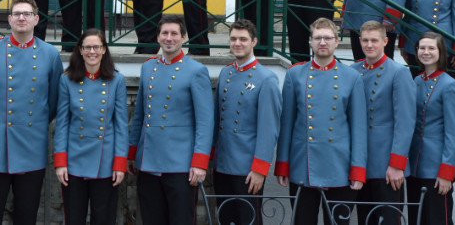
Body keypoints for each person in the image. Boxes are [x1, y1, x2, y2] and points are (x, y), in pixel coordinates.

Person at [0, 0, 64, 225]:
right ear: (9, 19)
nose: (22, 18)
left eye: (27, 14)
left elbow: (52, 103)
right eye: (17, 14)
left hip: (32, 146)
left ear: (36, 19)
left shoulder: (51, 54)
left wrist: (33, 123)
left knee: (27, 215)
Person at [275, 17, 366, 225]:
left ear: (336, 41)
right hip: (301, 166)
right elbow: (286, 123)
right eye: (318, 38)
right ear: (310, 41)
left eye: (327, 38)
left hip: (339, 167)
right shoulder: (295, 74)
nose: (322, 42)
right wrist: (282, 163)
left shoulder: (352, 77)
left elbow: (359, 129)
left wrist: (358, 169)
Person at [128, 14, 214, 224]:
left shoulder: (196, 71)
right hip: (148, 161)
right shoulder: (148, 67)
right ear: (157, 37)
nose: (169, 38)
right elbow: (139, 114)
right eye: (164, 33)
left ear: (183, 37)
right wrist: (132, 152)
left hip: (180, 165)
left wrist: (200, 162)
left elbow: (205, 121)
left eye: (174, 33)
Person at [210, 19, 281, 225]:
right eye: (233, 39)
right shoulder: (226, 72)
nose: (237, 43)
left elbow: (269, 129)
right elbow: (217, 119)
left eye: (243, 39)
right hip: (223, 164)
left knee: (248, 220)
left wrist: (260, 169)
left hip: (248, 169)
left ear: (254, 42)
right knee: (225, 219)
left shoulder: (266, 78)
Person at [53, 28, 128, 225]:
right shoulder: (67, 80)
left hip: (106, 161)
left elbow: (121, 125)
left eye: (96, 47)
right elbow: (62, 123)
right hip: (74, 160)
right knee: (74, 218)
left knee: (103, 218)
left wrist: (120, 163)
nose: (91, 51)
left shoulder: (116, 80)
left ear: (104, 50)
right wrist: (60, 161)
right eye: (87, 47)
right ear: (80, 50)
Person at [349, 20, 416, 225]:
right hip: (360, 162)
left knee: (388, 220)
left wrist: (397, 165)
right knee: (364, 219)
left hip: (386, 164)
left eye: (374, 41)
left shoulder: (399, 72)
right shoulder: (353, 70)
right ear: (360, 41)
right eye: (366, 40)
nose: (370, 45)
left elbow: (405, 122)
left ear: (385, 41)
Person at [405, 32, 455, 225]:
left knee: (438, 219)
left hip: (436, 168)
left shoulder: (450, 85)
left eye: (431, 48)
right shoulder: (417, 80)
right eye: (422, 48)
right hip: (414, 165)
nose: (425, 52)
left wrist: (447, 173)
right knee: (416, 218)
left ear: (441, 52)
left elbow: (453, 133)